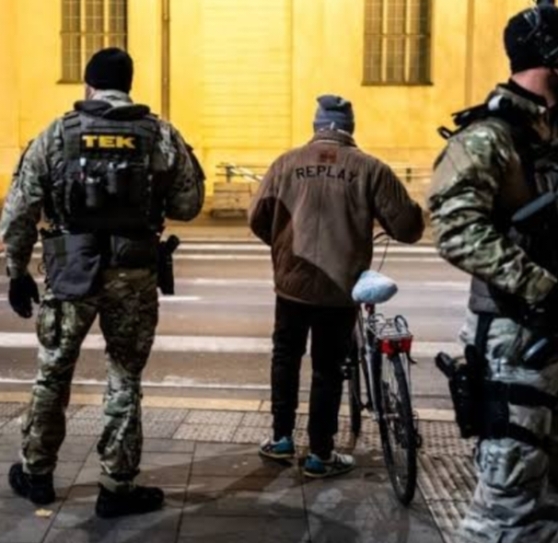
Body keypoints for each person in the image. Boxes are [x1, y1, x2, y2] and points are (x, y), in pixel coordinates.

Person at [0, 47, 205, 517]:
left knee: (53, 373)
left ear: (88, 85)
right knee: (124, 377)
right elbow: (188, 204)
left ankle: (37, 474)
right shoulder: (159, 134)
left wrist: (16, 272)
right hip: (133, 273)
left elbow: (19, 212)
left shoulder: (57, 134)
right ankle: (117, 485)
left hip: (70, 271)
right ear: (128, 85)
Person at [428, 4, 558, 542]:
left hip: (544, 337)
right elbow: (456, 230)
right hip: (516, 340)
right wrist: (544, 288)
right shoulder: (488, 138)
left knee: (545, 503)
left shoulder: (545, 134)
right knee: (505, 510)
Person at [249, 94, 424, 478]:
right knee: (328, 368)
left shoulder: (285, 163)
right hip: (340, 289)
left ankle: (281, 438)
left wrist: (283, 249)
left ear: (316, 126)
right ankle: (320, 454)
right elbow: (408, 228)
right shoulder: (371, 169)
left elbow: (257, 217)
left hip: (292, 284)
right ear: (350, 129)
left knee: (285, 356)